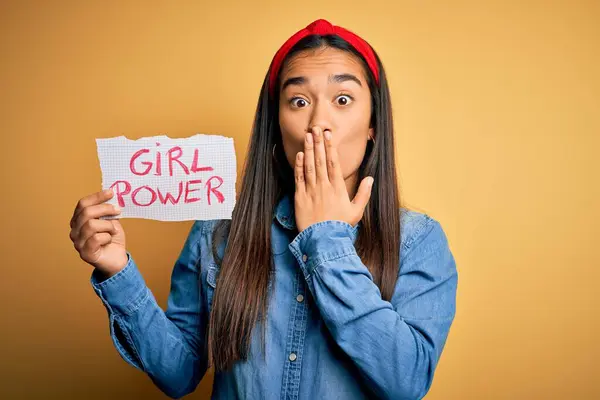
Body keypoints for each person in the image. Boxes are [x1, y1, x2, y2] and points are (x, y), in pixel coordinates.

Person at [69, 18, 458, 400]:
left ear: (373, 123)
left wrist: (326, 240)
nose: (319, 122)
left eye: (343, 100)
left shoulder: (417, 241)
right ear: (277, 123)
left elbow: (406, 382)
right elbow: (178, 375)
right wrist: (117, 270)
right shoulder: (216, 231)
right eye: (299, 101)